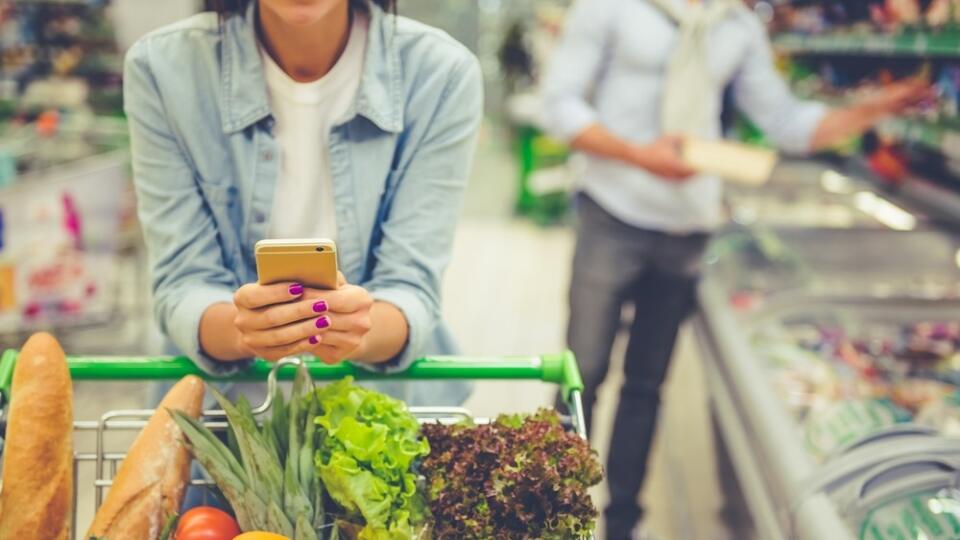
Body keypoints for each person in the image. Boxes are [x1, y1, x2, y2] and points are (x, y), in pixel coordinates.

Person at [540, 0, 929, 538]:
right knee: (579, 375)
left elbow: (785, 123)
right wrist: (638, 155)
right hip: (612, 211)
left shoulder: (736, 26)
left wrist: (872, 107)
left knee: (646, 387)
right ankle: (551, 514)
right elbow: (557, 106)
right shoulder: (612, 8)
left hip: (687, 229)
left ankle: (622, 524)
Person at [123, 0, 482, 406]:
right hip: (220, 420)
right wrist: (245, 330)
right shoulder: (163, 69)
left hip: (381, 412)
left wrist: (359, 327)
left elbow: (412, 287)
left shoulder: (441, 74)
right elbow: (183, 282)